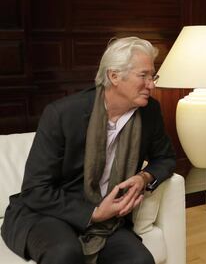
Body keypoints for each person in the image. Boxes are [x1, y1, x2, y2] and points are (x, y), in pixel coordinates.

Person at [1, 37, 176, 264]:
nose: (151, 84)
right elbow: (36, 189)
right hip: (47, 213)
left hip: (108, 219)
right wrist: (93, 213)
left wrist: (144, 177)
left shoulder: (150, 112)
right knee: (65, 253)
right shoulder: (62, 114)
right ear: (114, 76)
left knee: (140, 260)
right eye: (143, 76)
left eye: (153, 76)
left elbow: (166, 158)